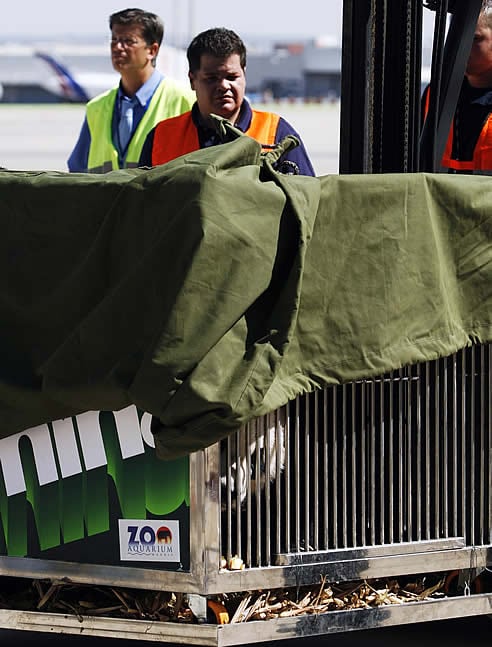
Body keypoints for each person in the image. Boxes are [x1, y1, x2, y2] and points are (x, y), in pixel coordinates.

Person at [138, 27, 316, 176]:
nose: (223, 86)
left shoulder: (277, 133)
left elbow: (306, 202)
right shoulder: (162, 137)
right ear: (192, 80)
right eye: (211, 78)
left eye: (232, 77)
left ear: (244, 75)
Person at [67, 8, 195, 173]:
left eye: (128, 41)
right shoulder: (96, 108)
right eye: (114, 40)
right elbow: (78, 171)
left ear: (152, 50)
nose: (118, 47)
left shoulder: (186, 101)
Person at [423, 1, 492, 172]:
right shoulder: (436, 94)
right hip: (440, 198)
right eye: (459, 36)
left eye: (475, 38)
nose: (464, 45)